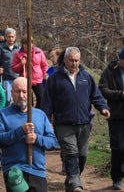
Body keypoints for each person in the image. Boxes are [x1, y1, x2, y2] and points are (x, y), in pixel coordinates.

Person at [42, 47, 110, 192]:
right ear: (65, 60)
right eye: (71, 60)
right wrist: (45, 119)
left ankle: (72, 181)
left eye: (77, 61)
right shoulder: (55, 78)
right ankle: (76, 185)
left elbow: (95, 95)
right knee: (71, 152)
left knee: (82, 155)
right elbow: (47, 102)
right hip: (64, 123)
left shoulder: (86, 76)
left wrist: (103, 108)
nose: (74, 63)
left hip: (84, 123)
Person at [0, 77, 58, 192]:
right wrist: (19, 131)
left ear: (29, 93)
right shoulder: (2, 115)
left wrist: (37, 138)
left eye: (24, 91)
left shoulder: (40, 115)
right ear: (12, 93)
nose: (21, 95)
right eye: (17, 91)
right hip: (14, 170)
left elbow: (52, 142)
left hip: (37, 170)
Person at [98, 47, 124, 190]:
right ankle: (117, 178)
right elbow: (102, 89)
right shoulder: (110, 71)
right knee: (118, 148)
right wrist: (120, 94)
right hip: (117, 115)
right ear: (120, 59)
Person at [11, 36, 48, 108]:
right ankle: (27, 114)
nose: (28, 45)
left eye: (30, 43)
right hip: (25, 79)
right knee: (28, 99)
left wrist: (45, 73)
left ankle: (36, 112)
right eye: (25, 44)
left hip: (38, 79)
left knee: (41, 97)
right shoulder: (18, 54)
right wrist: (21, 64)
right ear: (23, 44)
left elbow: (44, 64)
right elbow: (14, 68)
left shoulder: (39, 52)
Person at [0, 28, 20, 106]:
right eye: (9, 36)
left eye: (12, 36)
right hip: (5, 77)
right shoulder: (0, 48)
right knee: (7, 99)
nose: (10, 38)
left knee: (17, 98)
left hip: (16, 77)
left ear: (15, 37)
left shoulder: (18, 48)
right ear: (5, 37)